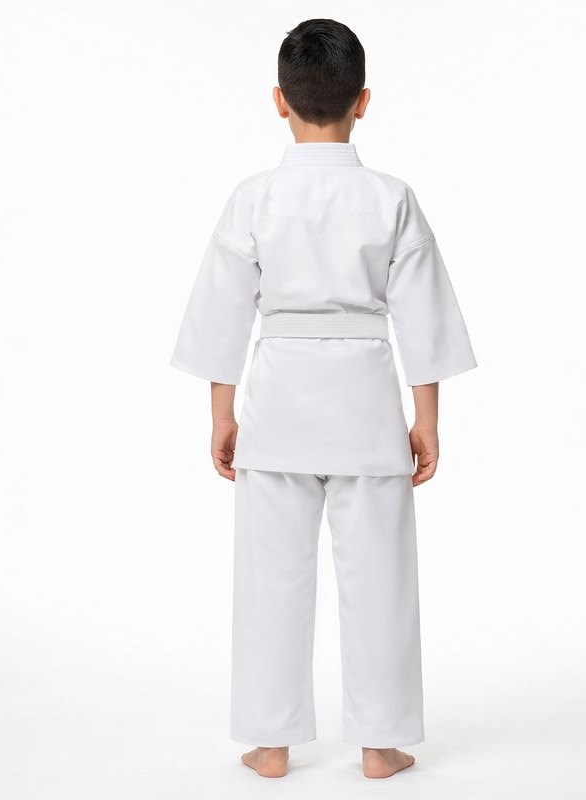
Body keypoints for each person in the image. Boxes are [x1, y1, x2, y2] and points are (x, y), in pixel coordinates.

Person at [170, 18, 477, 779]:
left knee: (270, 577)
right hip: (366, 402)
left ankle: (270, 744)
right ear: (363, 100)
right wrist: (426, 421)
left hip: (277, 404)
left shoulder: (254, 198)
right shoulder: (390, 198)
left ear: (279, 100)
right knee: (379, 578)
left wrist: (222, 416)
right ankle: (380, 744)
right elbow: (424, 315)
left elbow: (221, 313)